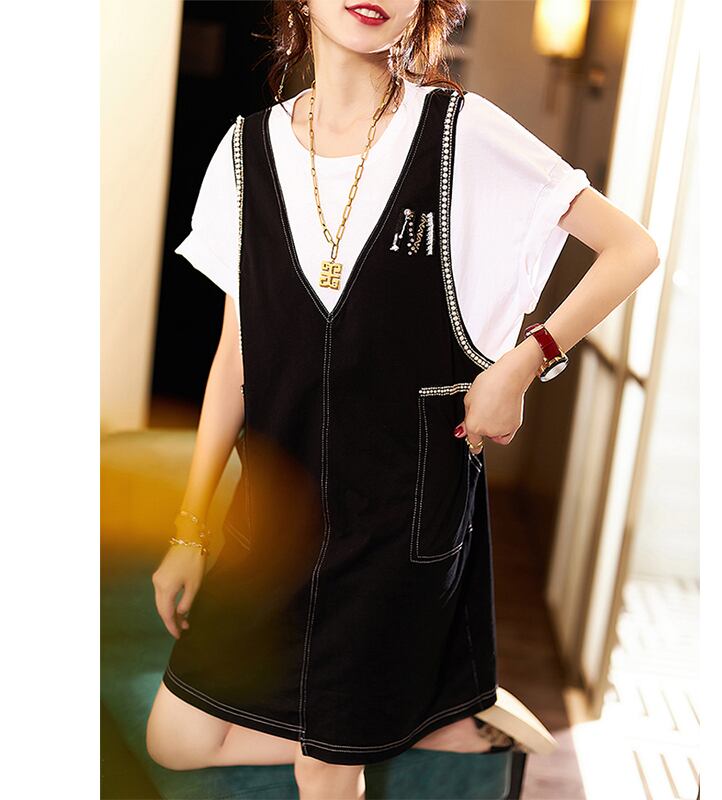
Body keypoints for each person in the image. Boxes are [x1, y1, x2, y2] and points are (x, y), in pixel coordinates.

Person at [145, 2, 660, 798]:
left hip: (401, 516)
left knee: (327, 766)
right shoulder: (245, 152)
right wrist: (189, 528)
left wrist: (523, 364)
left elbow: (632, 248)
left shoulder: (462, 132)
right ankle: (443, 720)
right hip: (274, 518)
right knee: (176, 738)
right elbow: (233, 361)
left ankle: (372, 728)